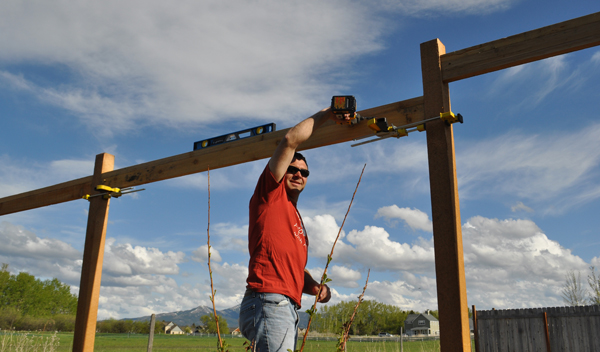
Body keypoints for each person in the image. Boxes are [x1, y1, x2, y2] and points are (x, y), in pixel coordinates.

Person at [239, 106, 351, 351]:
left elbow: (292, 270)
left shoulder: (295, 219)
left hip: (284, 305)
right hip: (269, 301)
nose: (298, 174)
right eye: (292, 169)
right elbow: (290, 140)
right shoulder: (269, 194)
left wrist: (315, 288)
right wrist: (328, 114)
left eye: (304, 172)